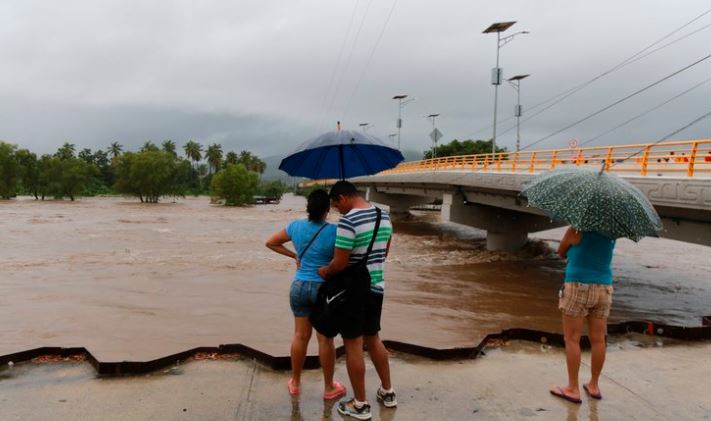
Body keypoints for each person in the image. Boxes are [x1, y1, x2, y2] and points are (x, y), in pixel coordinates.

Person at [318, 180, 396, 420]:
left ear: (342, 198)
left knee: (353, 344)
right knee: (374, 338)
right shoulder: (384, 216)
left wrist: (326, 271)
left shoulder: (348, 220)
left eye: (336, 206)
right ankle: (388, 392)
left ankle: (360, 405)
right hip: (377, 286)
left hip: (354, 292)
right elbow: (384, 252)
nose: (337, 211)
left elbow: (340, 263)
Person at [265, 189, 347, 401]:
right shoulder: (335, 231)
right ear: (327, 210)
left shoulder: (296, 226)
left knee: (300, 336)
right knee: (325, 340)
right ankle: (329, 388)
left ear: (308, 208)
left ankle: (295, 382)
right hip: (323, 289)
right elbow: (342, 262)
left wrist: (295, 255)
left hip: (299, 286)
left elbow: (271, 242)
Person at [550, 227, 616, 404]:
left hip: (578, 285)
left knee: (572, 339)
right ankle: (594, 385)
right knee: (598, 339)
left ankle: (573, 388)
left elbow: (561, 252)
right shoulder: (612, 233)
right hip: (604, 289)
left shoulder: (576, 230)